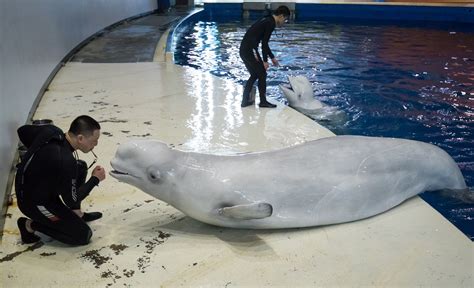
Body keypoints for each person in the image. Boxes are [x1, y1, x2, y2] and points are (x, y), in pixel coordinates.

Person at [15, 115, 106, 245]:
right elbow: (71, 200)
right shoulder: (65, 161)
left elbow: (22, 131)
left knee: (80, 166)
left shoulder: (52, 131)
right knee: (82, 235)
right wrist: (95, 179)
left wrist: (39, 158)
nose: (96, 144)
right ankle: (28, 225)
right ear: (80, 138)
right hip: (33, 202)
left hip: (40, 187)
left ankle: (77, 214)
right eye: (94, 141)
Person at [239, 5, 291, 108]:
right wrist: (265, 60)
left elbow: (263, 44)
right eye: (285, 19)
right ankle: (263, 102)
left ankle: (245, 101)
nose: (284, 22)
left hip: (244, 49)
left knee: (255, 74)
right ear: (281, 16)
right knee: (262, 74)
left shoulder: (268, 20)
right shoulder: (270, 23)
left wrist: (272, 58)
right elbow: (264, 44)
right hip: (249, 50)